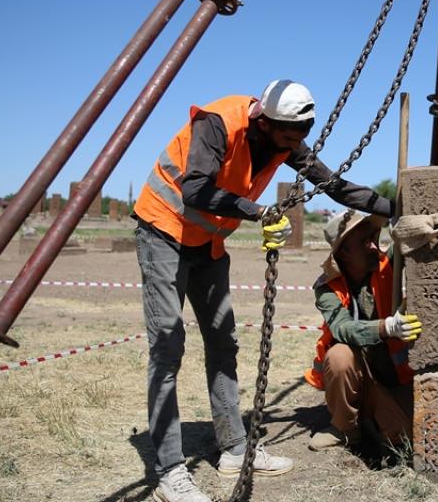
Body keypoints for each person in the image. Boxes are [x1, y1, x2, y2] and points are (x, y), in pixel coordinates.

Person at [132, 80, 393, 502]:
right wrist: (259, 212)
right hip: (163, 231)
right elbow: (194, 188)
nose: (294, 146)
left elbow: (334, 185)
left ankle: (235, 450)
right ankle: (169, 472)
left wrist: (395, 207)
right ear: (264, 122)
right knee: (168, 346)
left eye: (299, 138)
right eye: (288, 137)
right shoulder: (218, 123)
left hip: (207, 245)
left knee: (224, 343)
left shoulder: (285, 139)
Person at [303, 211, 419, 454]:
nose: (374, 245)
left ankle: (369, 419)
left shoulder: (388, 264)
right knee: (339, 356)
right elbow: (343, 328)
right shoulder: (327, 288)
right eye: (364, 241)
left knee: (403, 438)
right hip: (354, 373)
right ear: (344, 252)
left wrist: (405, 227)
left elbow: (407, 243)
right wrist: (387, 327)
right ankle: (344, 427)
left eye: (374, 238)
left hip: (389, 375)